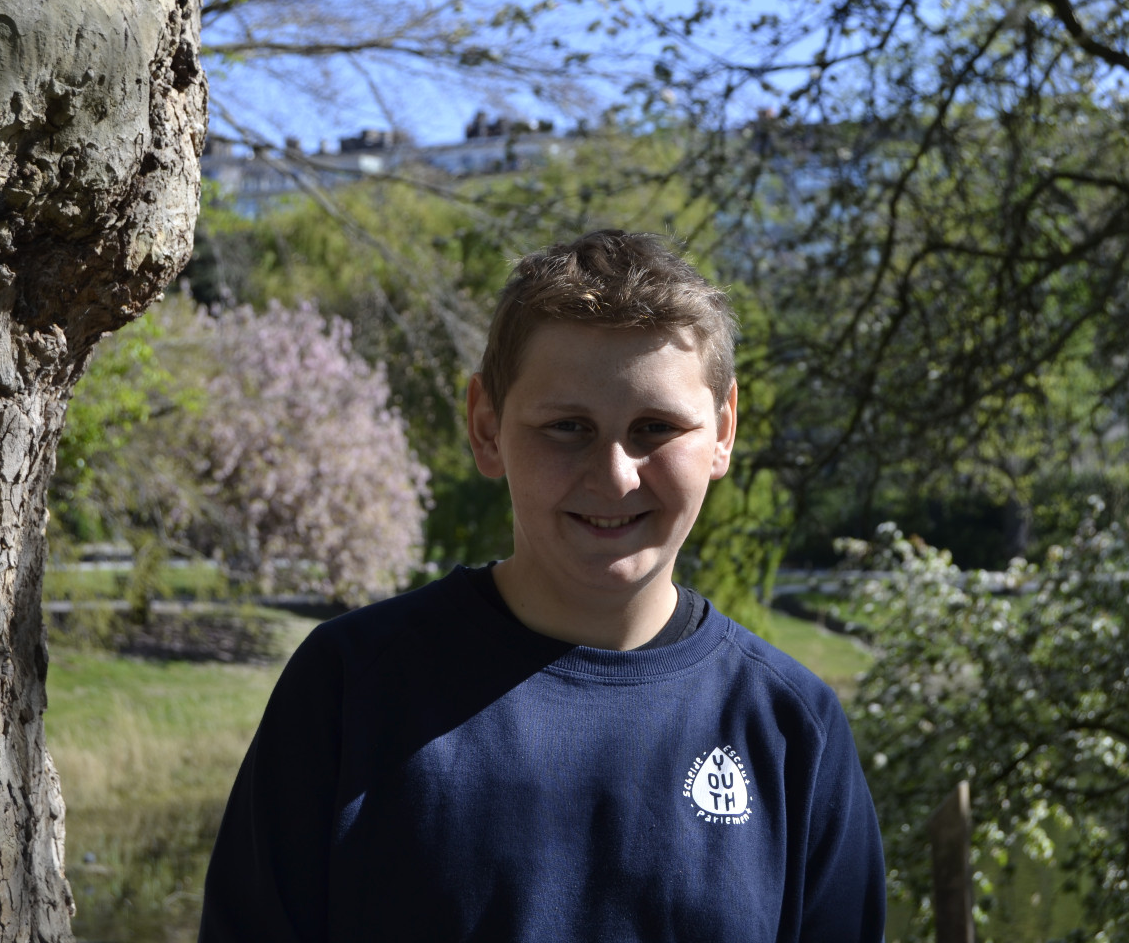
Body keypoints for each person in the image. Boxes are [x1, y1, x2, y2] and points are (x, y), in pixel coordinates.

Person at [198, 230, 885, 942]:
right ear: (487, 427)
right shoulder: (350, 689)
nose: (616, 475)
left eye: (655, 427)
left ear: (723, 431)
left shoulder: (789, 726)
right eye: (566, 427)